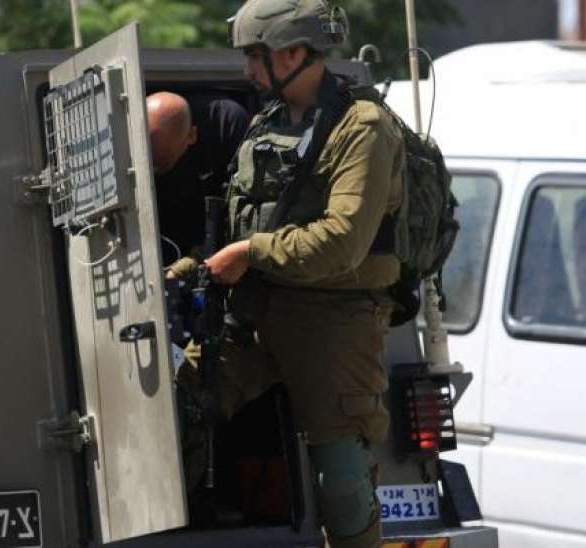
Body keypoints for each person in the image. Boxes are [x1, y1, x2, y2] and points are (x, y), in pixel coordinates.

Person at [201, 0, 406, 546]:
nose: (248, 69)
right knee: (177, 410)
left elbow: (342, 242)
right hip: (255, 310)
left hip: (332, 319)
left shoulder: (362, 127)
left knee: (342, 483)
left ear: (293, 53)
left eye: (256, 55)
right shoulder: (269, 120)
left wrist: (249, 253)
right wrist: (204, 263)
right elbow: (249, 215)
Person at [145, 91, 248, 268]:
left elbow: (237, 207)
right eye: (151, 163)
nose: (155, 170)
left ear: (192, 136)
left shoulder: (224, 124)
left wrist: (197, 259)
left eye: (162, 163)